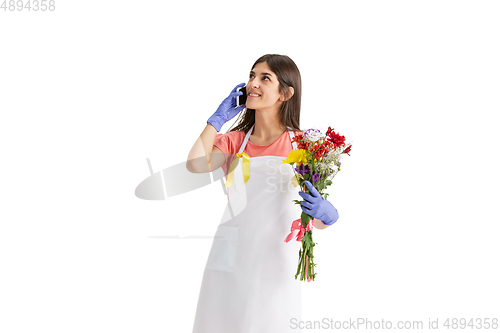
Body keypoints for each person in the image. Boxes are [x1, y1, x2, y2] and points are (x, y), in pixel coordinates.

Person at [186, 54, 339, 332]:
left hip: (275, 262)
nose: (252, 84)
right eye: (252, 75)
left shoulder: (304, 146)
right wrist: (216, 120)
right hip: (229, 259)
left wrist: (326, 214)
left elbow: (315, 220)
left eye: (264, 78)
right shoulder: (234, 140)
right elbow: (195, 165)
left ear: (285, 93)